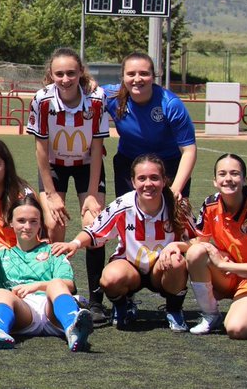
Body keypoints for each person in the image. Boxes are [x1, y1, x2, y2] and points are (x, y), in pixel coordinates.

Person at [85, 51, 196, 325]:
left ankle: (173, 301)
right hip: (130, 165)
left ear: (154, 76)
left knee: (174, 231)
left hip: (168, 167)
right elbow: (80, 87)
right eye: (131, 74)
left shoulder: (170, 104)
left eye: (144, 73)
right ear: (122, 77)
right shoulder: (111, 96)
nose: (138, 79)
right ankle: (116, 297)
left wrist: (175, 189)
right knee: (127, 224)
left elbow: (189, 149)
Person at [52, 154, 193, 332]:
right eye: (142, 178)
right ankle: (122, 306)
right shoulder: (123, 204)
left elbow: (199, 240)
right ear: (133, 182)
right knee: (111, 278)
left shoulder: (177, 205)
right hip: (131, 266)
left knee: (176, 261)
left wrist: (177, 246)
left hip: (161, 269)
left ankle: (174, 310)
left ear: (164, 180)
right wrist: (74, 243)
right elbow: (95, 230)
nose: (148, 184)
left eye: (154, 178)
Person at [186, 154, 247, 339]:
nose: (228, 178)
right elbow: (199, 243)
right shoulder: (210, 204)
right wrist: (174, 246)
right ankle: (211, 315)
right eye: (222, 174)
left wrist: (224, 265)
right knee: (195, 252)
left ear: (244, 180)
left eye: (235, 173)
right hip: (228, 275)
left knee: (237, 330)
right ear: (215, 181)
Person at [0, 195, 94, 352]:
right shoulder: (0, 257)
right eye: (21, 220)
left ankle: (73, 328)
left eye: (33, 221)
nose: (27, 226)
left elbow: (69, 285)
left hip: (52, 311)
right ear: (10, 222)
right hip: (22, 312)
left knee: (57, 283)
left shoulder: (54, 251)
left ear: (40, 223)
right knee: (2, 292)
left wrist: (36, 286)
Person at [26, 48, 107, 243]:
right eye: (59, 74)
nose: (65, 79)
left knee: (94, 225)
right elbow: (41, 150)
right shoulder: (42, 100)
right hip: (55, 165)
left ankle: (97, 276)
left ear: (80, 72)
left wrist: (93, 194)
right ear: (51, 75)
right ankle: (57, 272)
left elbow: (97, 148)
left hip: (87, 164)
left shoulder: (96, 98)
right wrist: (51, 195)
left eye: (71, 73)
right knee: (54, 225)